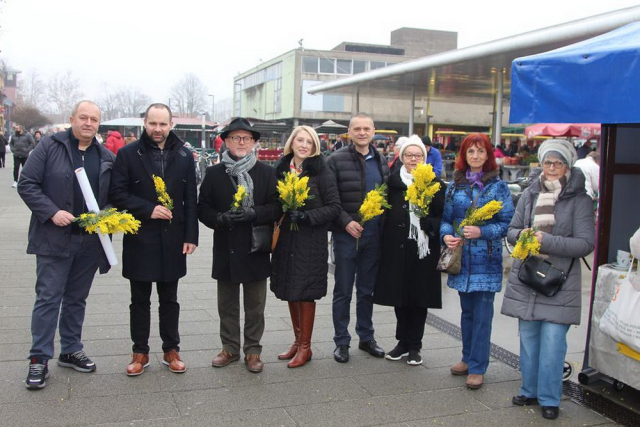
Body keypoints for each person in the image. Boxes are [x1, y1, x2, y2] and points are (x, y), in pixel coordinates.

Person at [17, 100, 114, 390]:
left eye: (94, 119)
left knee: (76, 298)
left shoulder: (106, 156)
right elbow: (27, 184)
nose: (88, 123)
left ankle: (71, 349)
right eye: (83, 117)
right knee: (48, 298)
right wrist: (51, 211)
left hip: (89, 242)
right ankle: (39, 359)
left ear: (99, 124)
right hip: (53, 239)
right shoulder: (50, 146)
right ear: (72, 119)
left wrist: (107, 215)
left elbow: (113, 195)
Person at [501, 139, 595, 420]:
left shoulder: (580, 200)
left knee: (553, 343)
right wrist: (524, 236)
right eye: (547, 162)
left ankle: (550, 397)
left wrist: (548, 241)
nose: (551, 168)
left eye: (558, 163)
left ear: (568, 166)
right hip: (528, 278)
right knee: (529, 340)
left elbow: (585, 244)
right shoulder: (530, 193)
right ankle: (529, 389)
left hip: (560, 282)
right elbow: (512, 231)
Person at [109, 103, 199, 376]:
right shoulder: (127, 154)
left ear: (171, 125)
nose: (157, 129)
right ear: (144, 123)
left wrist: (191, 236)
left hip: (173, 238)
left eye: (163, 124)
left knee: (169, 298)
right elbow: (117, 194)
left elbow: (190, 200)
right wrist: (147, 208)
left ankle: (171, 349)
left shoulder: (185, 155)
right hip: (141, 237)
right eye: (153, 124)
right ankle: (140, 351)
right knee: (139, 299)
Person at [198, 117, 280, 373]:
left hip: (255, 247)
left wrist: (254, 213)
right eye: (235, 137)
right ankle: (230, 348)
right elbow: (203, 208)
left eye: (246, 138)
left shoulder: (267, 172)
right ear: (227, 142)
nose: (241, 142)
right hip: (227, 246)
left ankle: (253, 351)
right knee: (227, 305)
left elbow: (277, 206)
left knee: (255, 306)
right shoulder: (213, 173)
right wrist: (220, 219)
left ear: (254, 142)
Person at [440, 132, 514, 389]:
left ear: (488, 155)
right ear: (464, 155)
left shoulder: (498, 187)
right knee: (467, 313)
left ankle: (478, 366)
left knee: (482, 314)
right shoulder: (455, 185)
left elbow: (507, 224)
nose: (475, 156)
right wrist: (446, 235)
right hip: (461, 262)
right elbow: (446, 220)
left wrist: (482, 231)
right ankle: (467, 358)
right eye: (471, 151)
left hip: (487, 261)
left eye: (480, 151)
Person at [271, 126, 341, 368]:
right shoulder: (280, 168)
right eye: (300, 140)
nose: (303, 145)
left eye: (309, 142)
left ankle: (306, 347)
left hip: (310, 240)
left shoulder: (322, 170)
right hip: (287, 240)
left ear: (314, 146)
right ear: (292, 142)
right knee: (291, 288)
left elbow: (334, 206)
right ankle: (297, 340)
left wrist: (307, 216)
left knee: (306, 291)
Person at [374, 135, 445, 366]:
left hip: (423, 250)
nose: (413, 159)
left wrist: (431, 224)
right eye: (408, 155)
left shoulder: (435, 183)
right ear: (401, 157)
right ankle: (401, 342)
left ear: (424, 158)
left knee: (419, 297)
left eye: (418, 155)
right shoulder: (392, 183)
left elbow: (444, 216)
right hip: (396, 247)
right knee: (400, 297)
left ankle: (415, 345)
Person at [327, 112, 390, 363]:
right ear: (349, 132)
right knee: (343, 290)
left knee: (367, 290)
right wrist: (346, 222)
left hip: (373, 236)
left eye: (367, 128)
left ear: (373, 131)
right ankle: (341, 341)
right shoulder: (335, 159)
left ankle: (366, 337)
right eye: (357, 129)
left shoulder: (382, 159)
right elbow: (331, 199)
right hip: (346, 236)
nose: (362, 133)